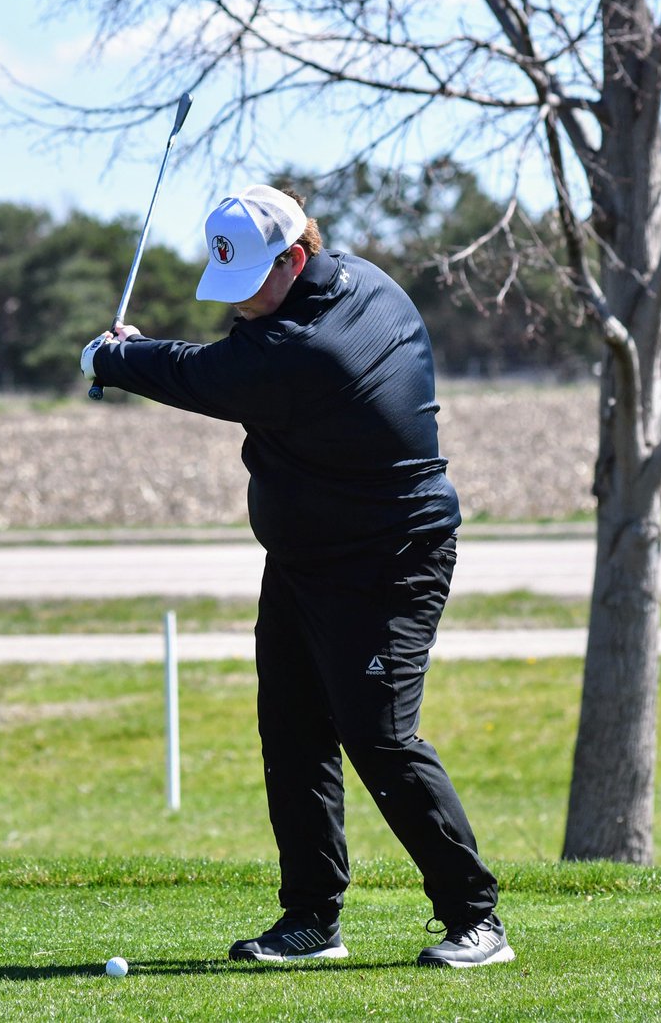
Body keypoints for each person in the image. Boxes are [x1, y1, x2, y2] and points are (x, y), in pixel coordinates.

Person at [80, 184, 513, 969]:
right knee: (293, 731)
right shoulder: (347, 287)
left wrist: (113, 357)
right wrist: (139, 353)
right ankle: (312, 919)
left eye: (250, 284)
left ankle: (476, 919)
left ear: (296, 257)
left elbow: (211, 377)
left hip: (389, 560)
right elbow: (227, 362)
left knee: (378, 735)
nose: (239, 303)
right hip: (308, 559)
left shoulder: (312, 345)